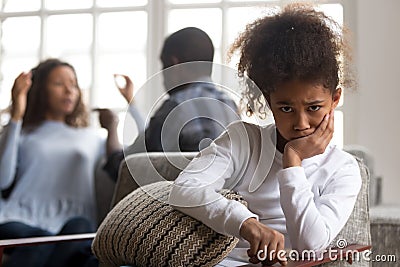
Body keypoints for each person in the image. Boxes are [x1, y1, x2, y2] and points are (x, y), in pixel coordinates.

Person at [169, 4, 361, 266]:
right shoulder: (243, 141)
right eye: (286, 108)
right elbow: (184, 189)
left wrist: (292, 162)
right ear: (269, 101)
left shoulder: (343, 169)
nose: (301, 123)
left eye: (314, 107)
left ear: (335, 98)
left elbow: (311, 246)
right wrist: (245, 222)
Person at [0, 58, 119, 267]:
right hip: (19, 218)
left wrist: (113, 128)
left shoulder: (90, 137)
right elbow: (2, 180)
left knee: (81, 228)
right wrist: (17, 115)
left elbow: (120, 165)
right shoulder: (22, 132)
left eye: (73, 84)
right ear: (40, 90)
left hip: (72, 221)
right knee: (41, 242)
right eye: (58, 84)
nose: (68, 90)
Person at [103, 27, 239, 180]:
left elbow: (124, 167)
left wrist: (111, 127)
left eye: (163, 65)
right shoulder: (230, 106)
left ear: (174, 66)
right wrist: (132, 104)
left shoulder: (175, 107)